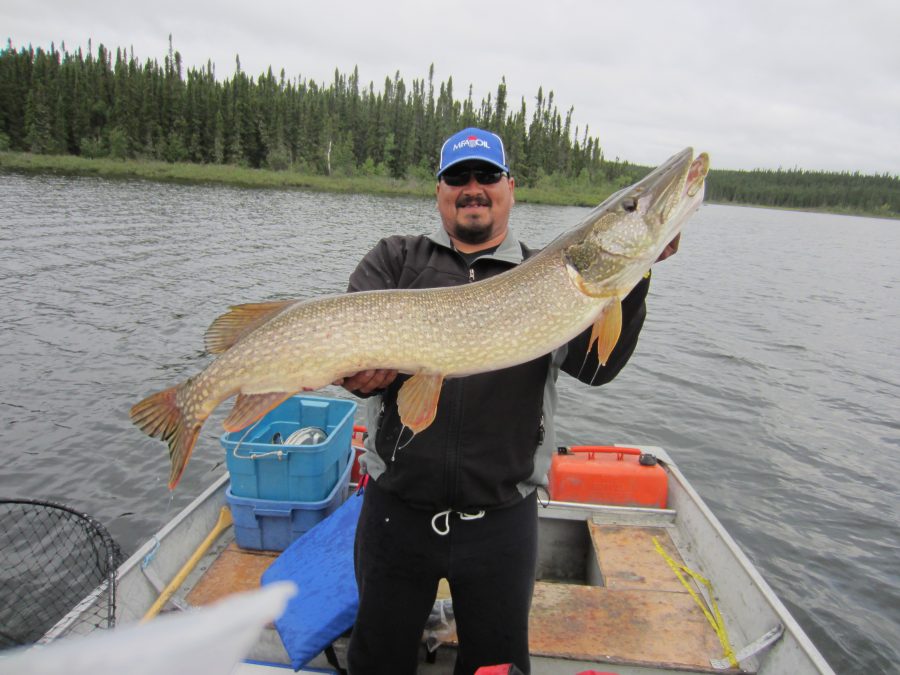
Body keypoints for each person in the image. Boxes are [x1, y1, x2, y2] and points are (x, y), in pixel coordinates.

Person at [338, 127, 671, 675]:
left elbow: (597, 367)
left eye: (487, 176)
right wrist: (359, 379)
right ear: (441, 191)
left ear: (510, 187)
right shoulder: (396, 261)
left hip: (500, 520)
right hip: (397, 512)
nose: (474, 188)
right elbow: (351, 365)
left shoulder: (555, 276)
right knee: (376, 663)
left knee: (497, 668)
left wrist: (636, 276)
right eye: (458, 177)